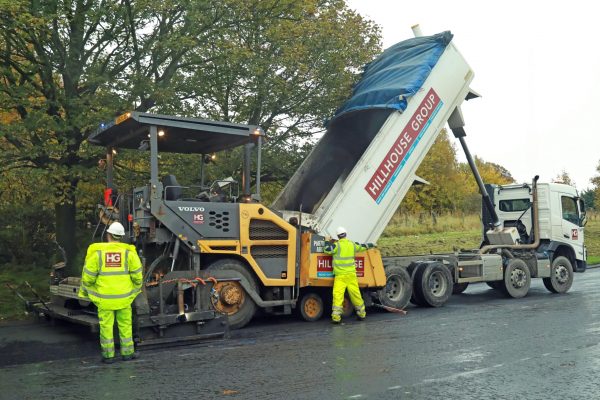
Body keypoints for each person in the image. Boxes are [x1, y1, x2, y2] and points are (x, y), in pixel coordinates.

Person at [79, 221, 143, 363]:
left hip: (104, 300)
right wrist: (133, 289)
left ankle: (108, 356)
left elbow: (88, 278)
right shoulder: (129, 254)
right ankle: (127, 354)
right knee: (125, 325)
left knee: (106, 327)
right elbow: (138, 276)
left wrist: (92, 289)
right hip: (124, 298)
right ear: (121, 237)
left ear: (108, 235)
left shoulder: (97, 254)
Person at [324, 227, 374, 324]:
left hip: (340, 276)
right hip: (351, 275)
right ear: (346, 234)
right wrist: (372, 244)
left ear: (338, 236)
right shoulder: (352, 244)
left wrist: (327, 240)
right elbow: (363, 246)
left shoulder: (336, 246)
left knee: (338, 296)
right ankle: (362, 314)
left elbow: (326, 249)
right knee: (356, 295)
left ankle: (336, 318)